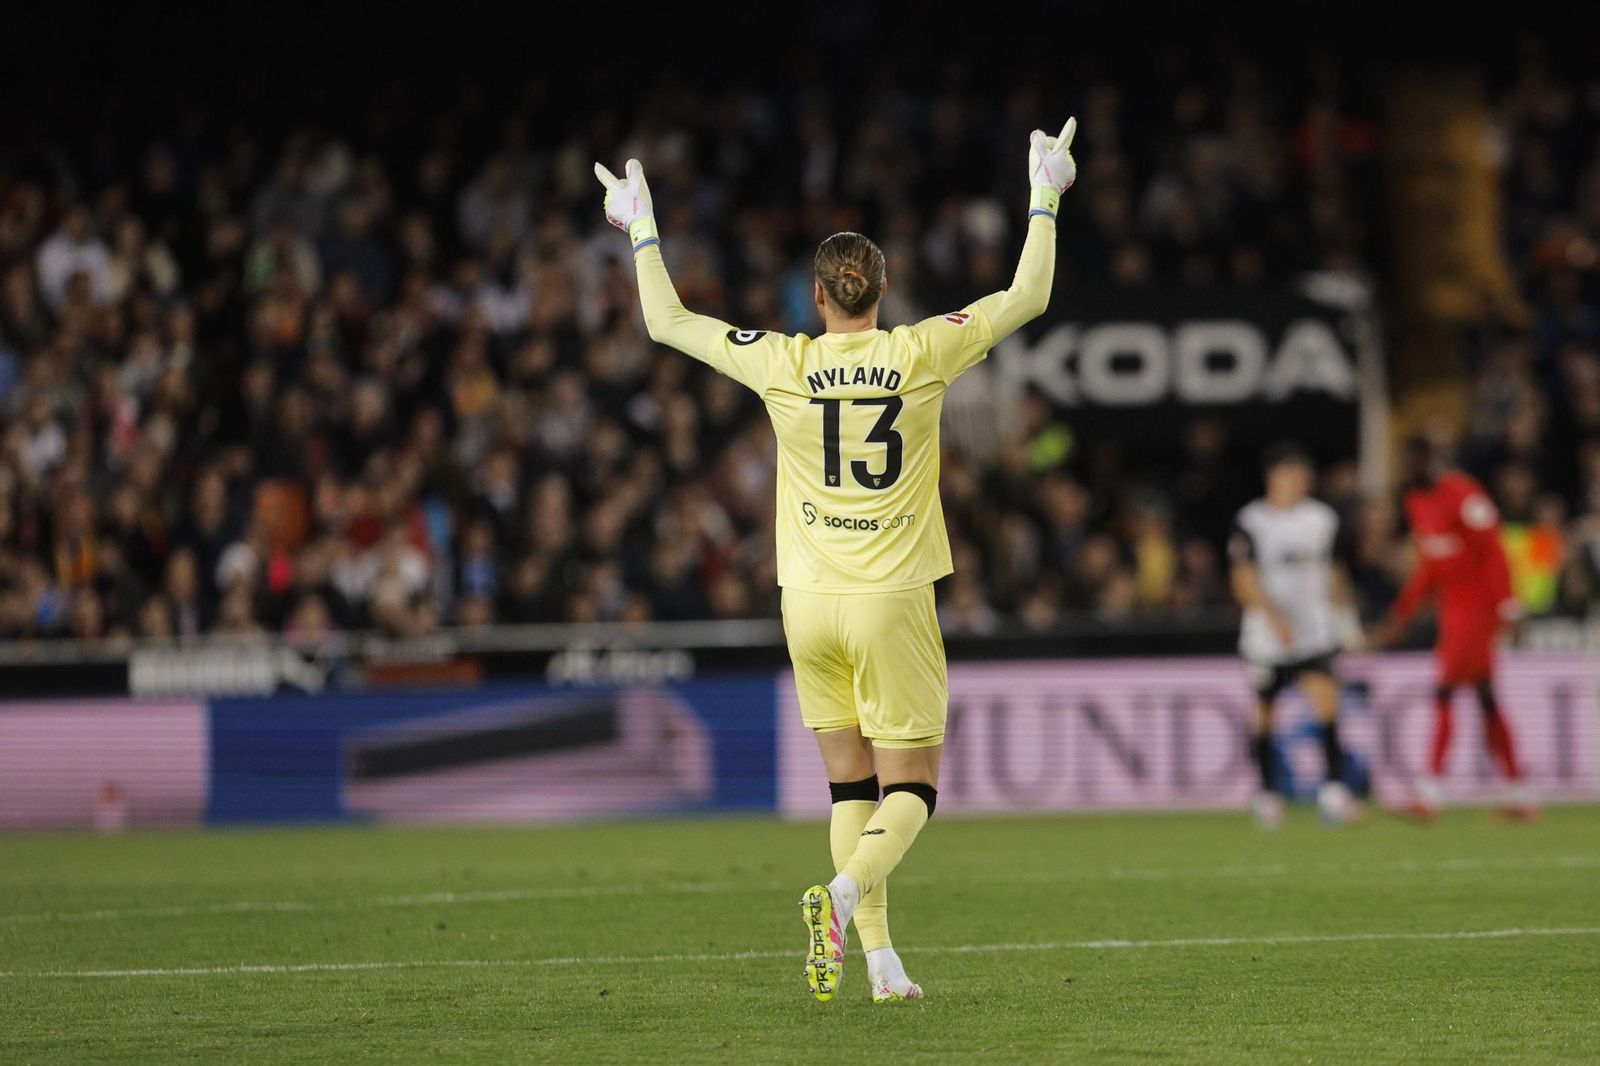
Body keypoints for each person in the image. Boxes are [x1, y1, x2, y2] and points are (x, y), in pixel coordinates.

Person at [596, 118, 1077, 1003]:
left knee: (849, 786)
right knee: (912, 789)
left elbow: (666, 322)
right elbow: (1027, 294)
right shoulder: (921, 351)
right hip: (890, 598)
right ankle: (845, 894)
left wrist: (642, 228)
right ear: (882, 292)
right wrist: (1045, 195)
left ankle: (882, 963)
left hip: (807, 602)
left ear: (815, 297)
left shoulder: (784, 362)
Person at [1371, 437, 1534, 821]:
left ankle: (1429, 795)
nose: (1409, 468)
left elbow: (1494, 550)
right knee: (1486, 699)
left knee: (1443, 692)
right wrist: (1401, 615)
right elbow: (1429, 566)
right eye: (1404, 462)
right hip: (1453, 610)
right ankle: (1518, 794)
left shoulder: (1463, 494)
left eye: (1415, 461)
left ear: (1432, 460)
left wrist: (1509, 607)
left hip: (1477, 608)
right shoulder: (1415, 501)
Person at [1228, 444, 1361, 828]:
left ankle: (1334, 792)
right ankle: (1268, 795)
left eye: (1304, 476)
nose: (1301, 482)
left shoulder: (1322, 519)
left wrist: (1346, 620)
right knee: (1266, 713)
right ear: (1274, 477)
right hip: (1266, 636)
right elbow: (1242, 578)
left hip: (1314, 631)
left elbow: (1334, 571)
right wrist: (1275, 619)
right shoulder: (1251, 521)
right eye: (1294, 475)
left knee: (1327, 704)